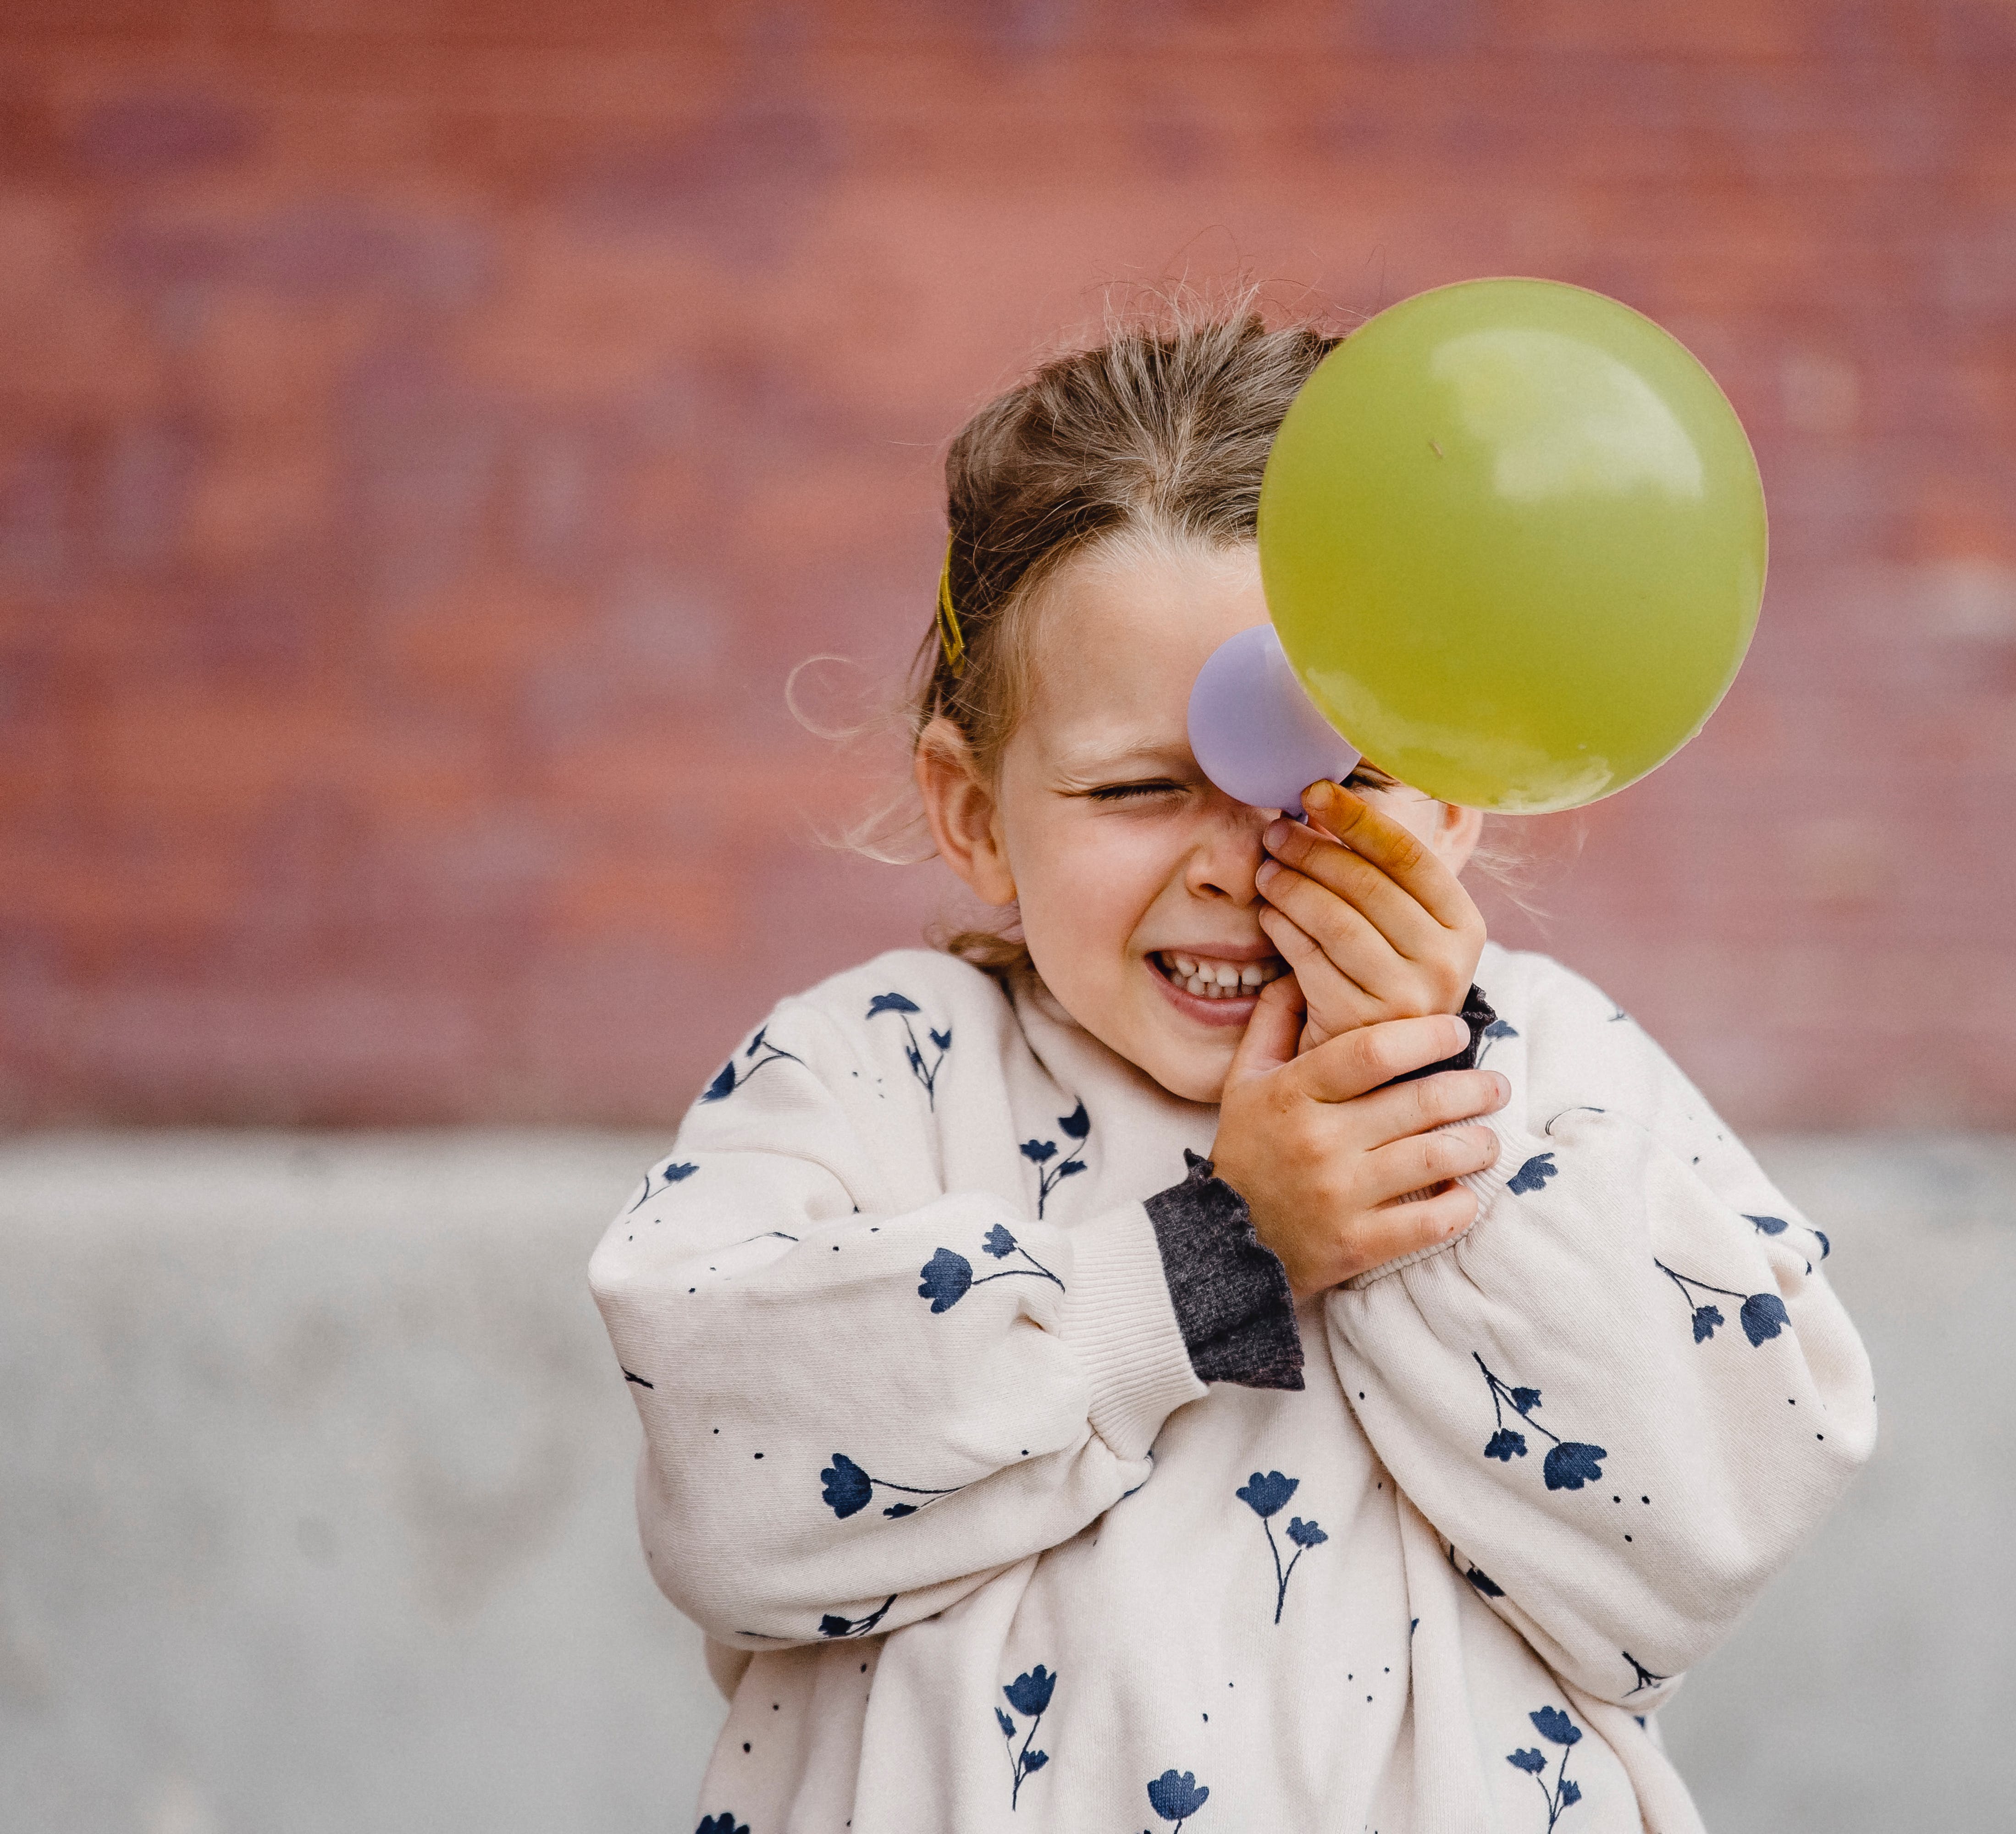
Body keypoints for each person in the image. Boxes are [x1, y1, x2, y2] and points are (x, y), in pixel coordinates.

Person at [588, 309, 1877, 1834]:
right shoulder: (874, 1070)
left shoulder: (1548, 1076)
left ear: (1455, 789)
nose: (1234, 866)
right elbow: (732, 1489)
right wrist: (1218, 1259)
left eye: (1334, 784)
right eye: (1139, 790)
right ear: (973, 809)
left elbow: (1706, 1525)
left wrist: (1428, 1113)